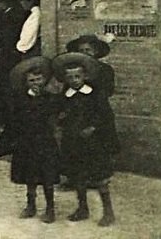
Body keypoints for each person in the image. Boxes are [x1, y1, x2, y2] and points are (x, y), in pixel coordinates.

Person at [54, 52, 119, 226]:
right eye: (70, 77)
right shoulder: (65, 95)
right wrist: (61, 119)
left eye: (78, 76)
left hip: (93, 142)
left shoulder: (94, 94)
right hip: (73, 141)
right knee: (78, 175)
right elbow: (60, 113)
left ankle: (108, 212)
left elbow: (105, 115)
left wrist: (93, 127)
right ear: (65, 79)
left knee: (99, 177)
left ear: (85, 75)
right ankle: (82, 208)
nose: (75, 80)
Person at [0, 56, 59, 224]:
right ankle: (31, 205)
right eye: (31, 80)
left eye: (39, 79)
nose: (35, 83)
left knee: (47, 176)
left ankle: (50, 208)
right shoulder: (20, 98)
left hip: (44, 140)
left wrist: (43, 99)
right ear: (26, 82)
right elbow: (14, 119)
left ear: (44, 80)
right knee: (29, 175)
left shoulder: (50, 98)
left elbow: (53, 115)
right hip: (27, 141)